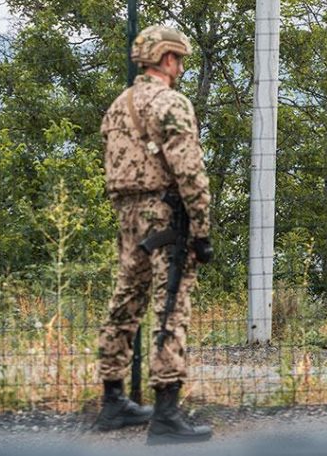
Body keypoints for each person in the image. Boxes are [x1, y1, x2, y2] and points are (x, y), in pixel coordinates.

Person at [94, 25, 214, 444]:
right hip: (165, 216)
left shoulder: (117, 106)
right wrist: (201, 230)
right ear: (166, 59)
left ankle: (112, 400)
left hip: (127, 215)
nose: (180, 67)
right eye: (178, 59)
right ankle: (166, 413)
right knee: (171, 304)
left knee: (125, 301)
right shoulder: (170, 103)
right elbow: (189, 171)